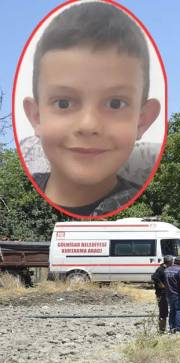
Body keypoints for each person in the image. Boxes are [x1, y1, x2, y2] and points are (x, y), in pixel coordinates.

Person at [22, 2, 161, 216]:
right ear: (36, 116)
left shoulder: (143, 205)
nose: (89, 125)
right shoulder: (21, 194)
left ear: (143, 120)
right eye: (64, 103)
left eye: (115, 103)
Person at [165, 256, 180, 333]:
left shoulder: (167, 270)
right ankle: (179, 328)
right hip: (178, 294)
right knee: (179, 310)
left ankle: (172, 328)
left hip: (169, 294)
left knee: (172, 311)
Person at [150, 255, 172, 333]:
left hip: (166, 293)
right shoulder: (161, 269)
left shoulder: (166, 268)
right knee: (163, 311)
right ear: (169, 262)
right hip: (161, 293)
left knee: (165, 311)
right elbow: (154, 277)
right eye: (171, 262)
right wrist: (161, 284)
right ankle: (161, 330)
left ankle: (164, 328)